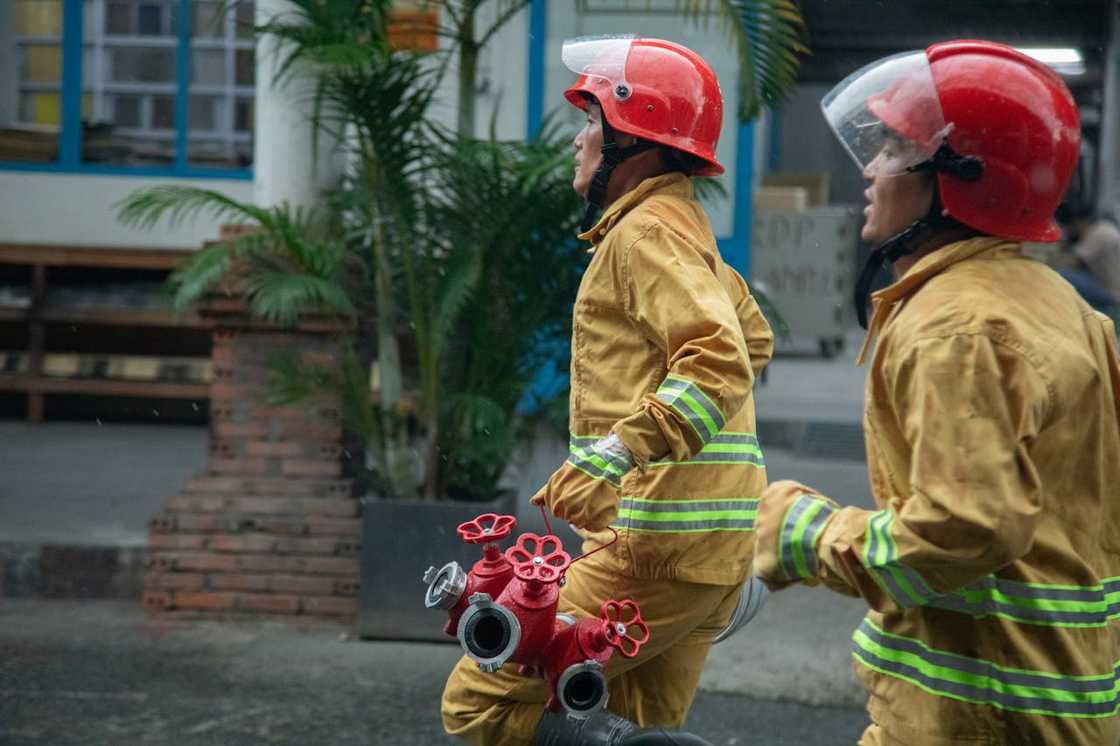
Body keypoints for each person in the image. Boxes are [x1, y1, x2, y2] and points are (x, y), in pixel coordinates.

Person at [750, 40, 1120, 745]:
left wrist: (808, 537)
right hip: (1048, 704)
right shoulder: (1060, 304)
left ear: (958, 180)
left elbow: (963, 529)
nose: (869, 169)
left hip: (976, 711)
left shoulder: (956, 326)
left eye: (892, 149)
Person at [440, 36, 774, 746]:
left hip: (648, 548)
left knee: (482, 704)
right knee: (626, 712)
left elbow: (718, 358)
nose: (576, 139)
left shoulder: (643, 235)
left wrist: (619, 451)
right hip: (708, 555)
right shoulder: (686, 229)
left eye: (590, 120)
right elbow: (753, 341)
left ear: (635, 138)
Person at [1053, 201, 1120, 313]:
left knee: (1062, 275)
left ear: (1078, 222)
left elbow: (1071, 261)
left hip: (1113, 294)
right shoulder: (1105, 228)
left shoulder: (1099, 233)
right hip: (1110, 285)